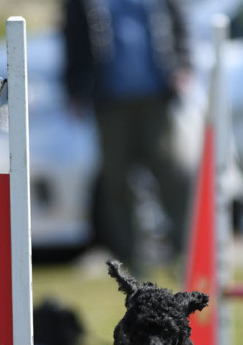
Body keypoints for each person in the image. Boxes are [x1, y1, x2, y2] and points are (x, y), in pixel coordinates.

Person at [63, 0, 192, 276]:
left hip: (156, 98)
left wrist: (183, 64)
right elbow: (72, 38)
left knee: (173, 175)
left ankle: (184, 252)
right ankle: (129, 263)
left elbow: (179, 24)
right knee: (116, 183)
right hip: (109, 102)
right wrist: (74, 87)